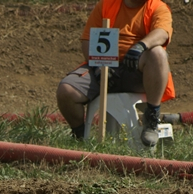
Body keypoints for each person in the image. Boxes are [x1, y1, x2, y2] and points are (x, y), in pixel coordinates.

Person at [56, 0, 175, 147]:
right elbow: (88, 40)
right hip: (103, 65)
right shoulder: (106, 5)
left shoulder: (157, 7)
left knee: (158, 54)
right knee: (66, 91)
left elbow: (162, 33)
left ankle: (151, 120)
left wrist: (141, 46)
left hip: (137, 70)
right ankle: (80, 136)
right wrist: (97, 66)